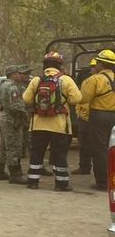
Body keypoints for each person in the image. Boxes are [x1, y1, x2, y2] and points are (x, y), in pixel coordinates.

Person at [22, 52, 82, 191]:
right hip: (59, 126)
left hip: (38, 124)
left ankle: (33, 182)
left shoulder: (37, 80)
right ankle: (61, 184)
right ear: (59, 65)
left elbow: (26, 98)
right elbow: (77, 99)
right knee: (59, 154)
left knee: (37, 153)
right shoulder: (66, 80)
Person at [80, 49, 115, 191]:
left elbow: (83, 98)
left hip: (99, 116)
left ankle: (102, 183)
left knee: (100, 149)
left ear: (100, 64)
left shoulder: (95, 79)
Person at [0, 65, 30, 184]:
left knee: (3, 146)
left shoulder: (4, 85)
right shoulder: (12, 87)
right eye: (21, 73)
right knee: (14, 147)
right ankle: (15, 174)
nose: (24, 76)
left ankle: (0, 171)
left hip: (4, 118)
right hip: (12, 120)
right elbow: (16, 105)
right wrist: (25, 115)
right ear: (13, 74)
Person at [73, 59, 99, 175]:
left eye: (95, 66)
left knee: (98, 145)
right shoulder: (88, 81)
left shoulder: (97, 81)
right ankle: (84, 167)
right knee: (84, 144)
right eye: (92, 66)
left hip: (94, 116)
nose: (93, 69)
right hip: (86, 117)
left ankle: (95, 169)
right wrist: (80, 113)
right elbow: (81, 99)